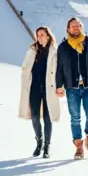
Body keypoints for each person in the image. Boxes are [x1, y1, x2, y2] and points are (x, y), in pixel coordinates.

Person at [55, 17, 88, 159]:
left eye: (78, 26)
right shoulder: (63, 47)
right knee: (75, 118)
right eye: (73, 26)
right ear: (68, 29)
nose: (75, 28)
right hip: (72, 88)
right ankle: (79, 146)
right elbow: (59, 68)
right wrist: (59, 85)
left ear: (81, 27)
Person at [19, 26, 60, 158]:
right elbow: (25, 68)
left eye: (42, 34)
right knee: (35, 117)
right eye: (38, 35)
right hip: (34, 88)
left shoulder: (54, 51)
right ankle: (39, 141)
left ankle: (47, 146)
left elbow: (59, 71)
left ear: (48, 35)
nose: (40, 37)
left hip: (49, 88)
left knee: (48, 118)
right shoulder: (32, 51)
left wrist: (60, 87)